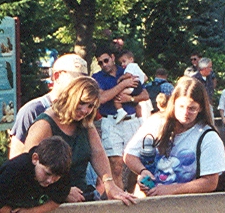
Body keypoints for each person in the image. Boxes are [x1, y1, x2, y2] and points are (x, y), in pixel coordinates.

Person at [19, 75, 135, 204]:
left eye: (90, 106)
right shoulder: (44, 124)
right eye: (81, 103)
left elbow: (97, 152)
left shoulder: (85, 122)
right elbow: (27, 167)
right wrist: (61, 191)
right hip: (48, 197)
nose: (84, 110)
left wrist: (110, 184)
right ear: (70, 98)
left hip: (81, 195)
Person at [123, 75, 225, 196]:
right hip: (147, 201)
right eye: (181, 106)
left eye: (192, 108)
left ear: (201, 108)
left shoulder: (208, 137)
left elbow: (210, 182)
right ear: (173, 103)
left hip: (184, 205)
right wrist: (142, 171)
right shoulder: (156, 122)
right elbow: (129, 155)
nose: (185, 113)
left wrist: (172, 189)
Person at [0, 136, 73, 213]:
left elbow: (59, 198)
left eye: (56, 177)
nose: (50, 180)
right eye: (47, 173)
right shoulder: (15, 170)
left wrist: (34, 212)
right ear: (35, 159)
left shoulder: (61, 170)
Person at [9, 54, 88, 154]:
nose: (80, 87)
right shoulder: (33, 110)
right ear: (57, 76)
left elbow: (96, 152)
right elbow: (16, 158)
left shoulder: (82, 111)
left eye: (83, 83)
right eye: (75, 82)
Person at [91, 47, 146, 187]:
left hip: (131, 120)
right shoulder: (97, 78)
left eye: (106, 60)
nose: (104, 65)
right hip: (111, 121)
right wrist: (123, 84)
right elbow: (101, 98)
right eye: (100, 63)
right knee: (116, 164)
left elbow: (145, 94)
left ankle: (135, 192)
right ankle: (119, 198)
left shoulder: (126, 70)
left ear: (112, 57)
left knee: (137, 162)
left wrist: (130, 99)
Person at [113, 51, 151, 121]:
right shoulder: (136, 67)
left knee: (117, 95)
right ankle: (139, 118)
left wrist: (120, 78)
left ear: (131, 59)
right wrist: (139, 82)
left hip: (133, 86)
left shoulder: (130, 66)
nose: (122, 64)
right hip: (137, 85)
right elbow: (145, 77)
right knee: (136, 105)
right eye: (121, 63)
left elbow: (128, 74)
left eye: (124, 61)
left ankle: (120, 111)